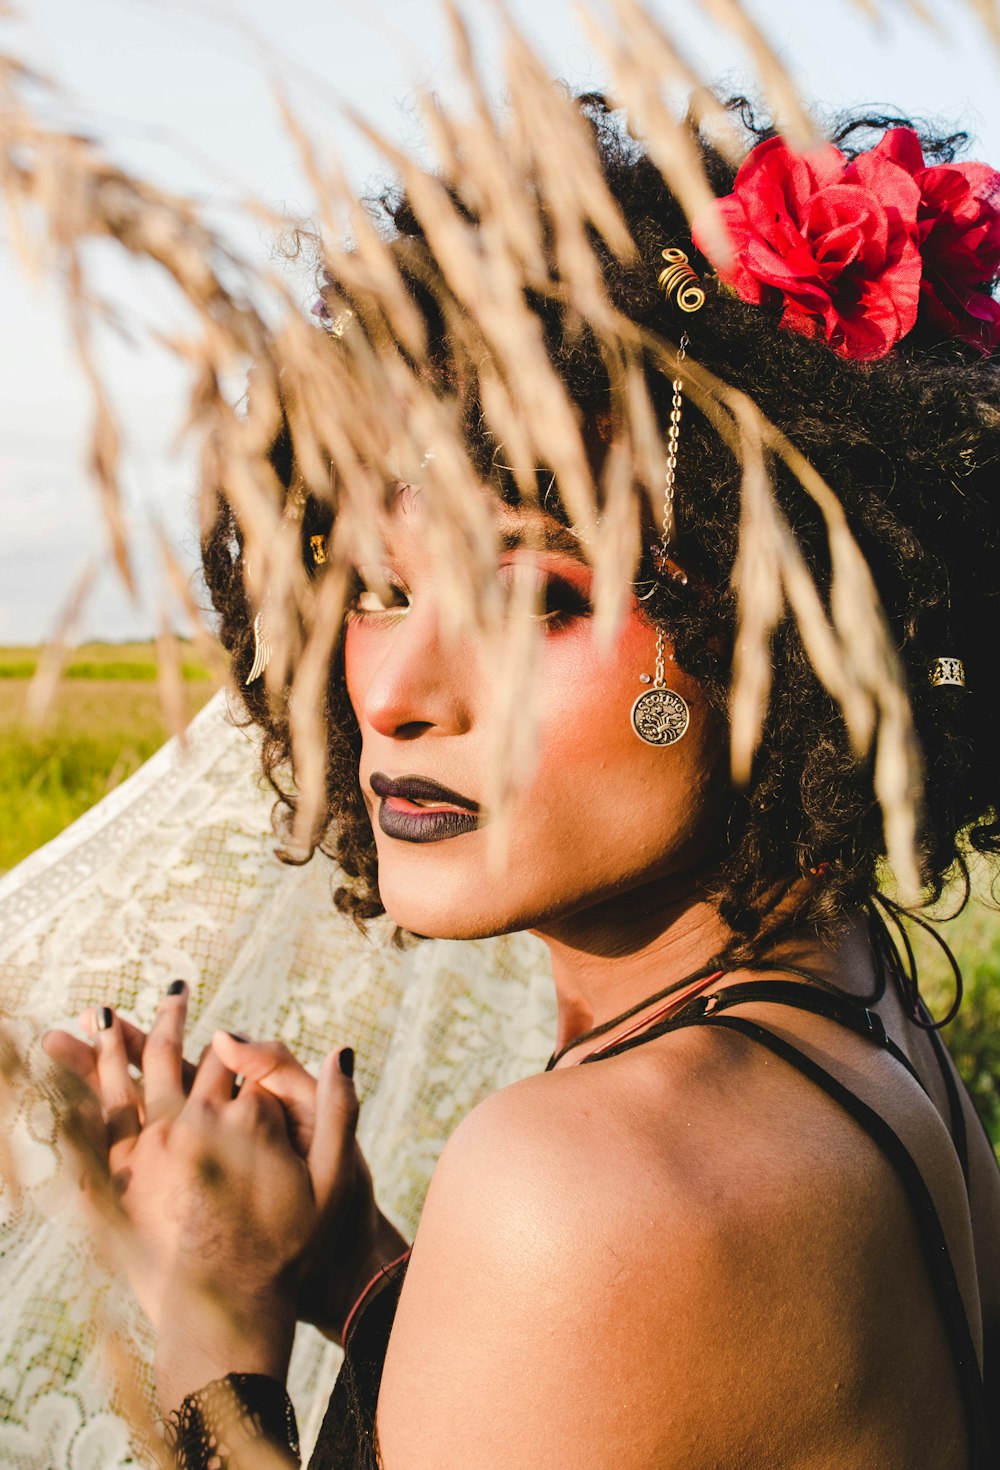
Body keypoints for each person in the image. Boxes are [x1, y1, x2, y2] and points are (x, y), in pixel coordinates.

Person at [44, 96, 1000, 1469]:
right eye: (373, 588)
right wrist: (356, 1272)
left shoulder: (587, 1184)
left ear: (778, 626)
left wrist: (208, 1346)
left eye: (541, 594)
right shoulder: (855, 1021)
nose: (390, 693)